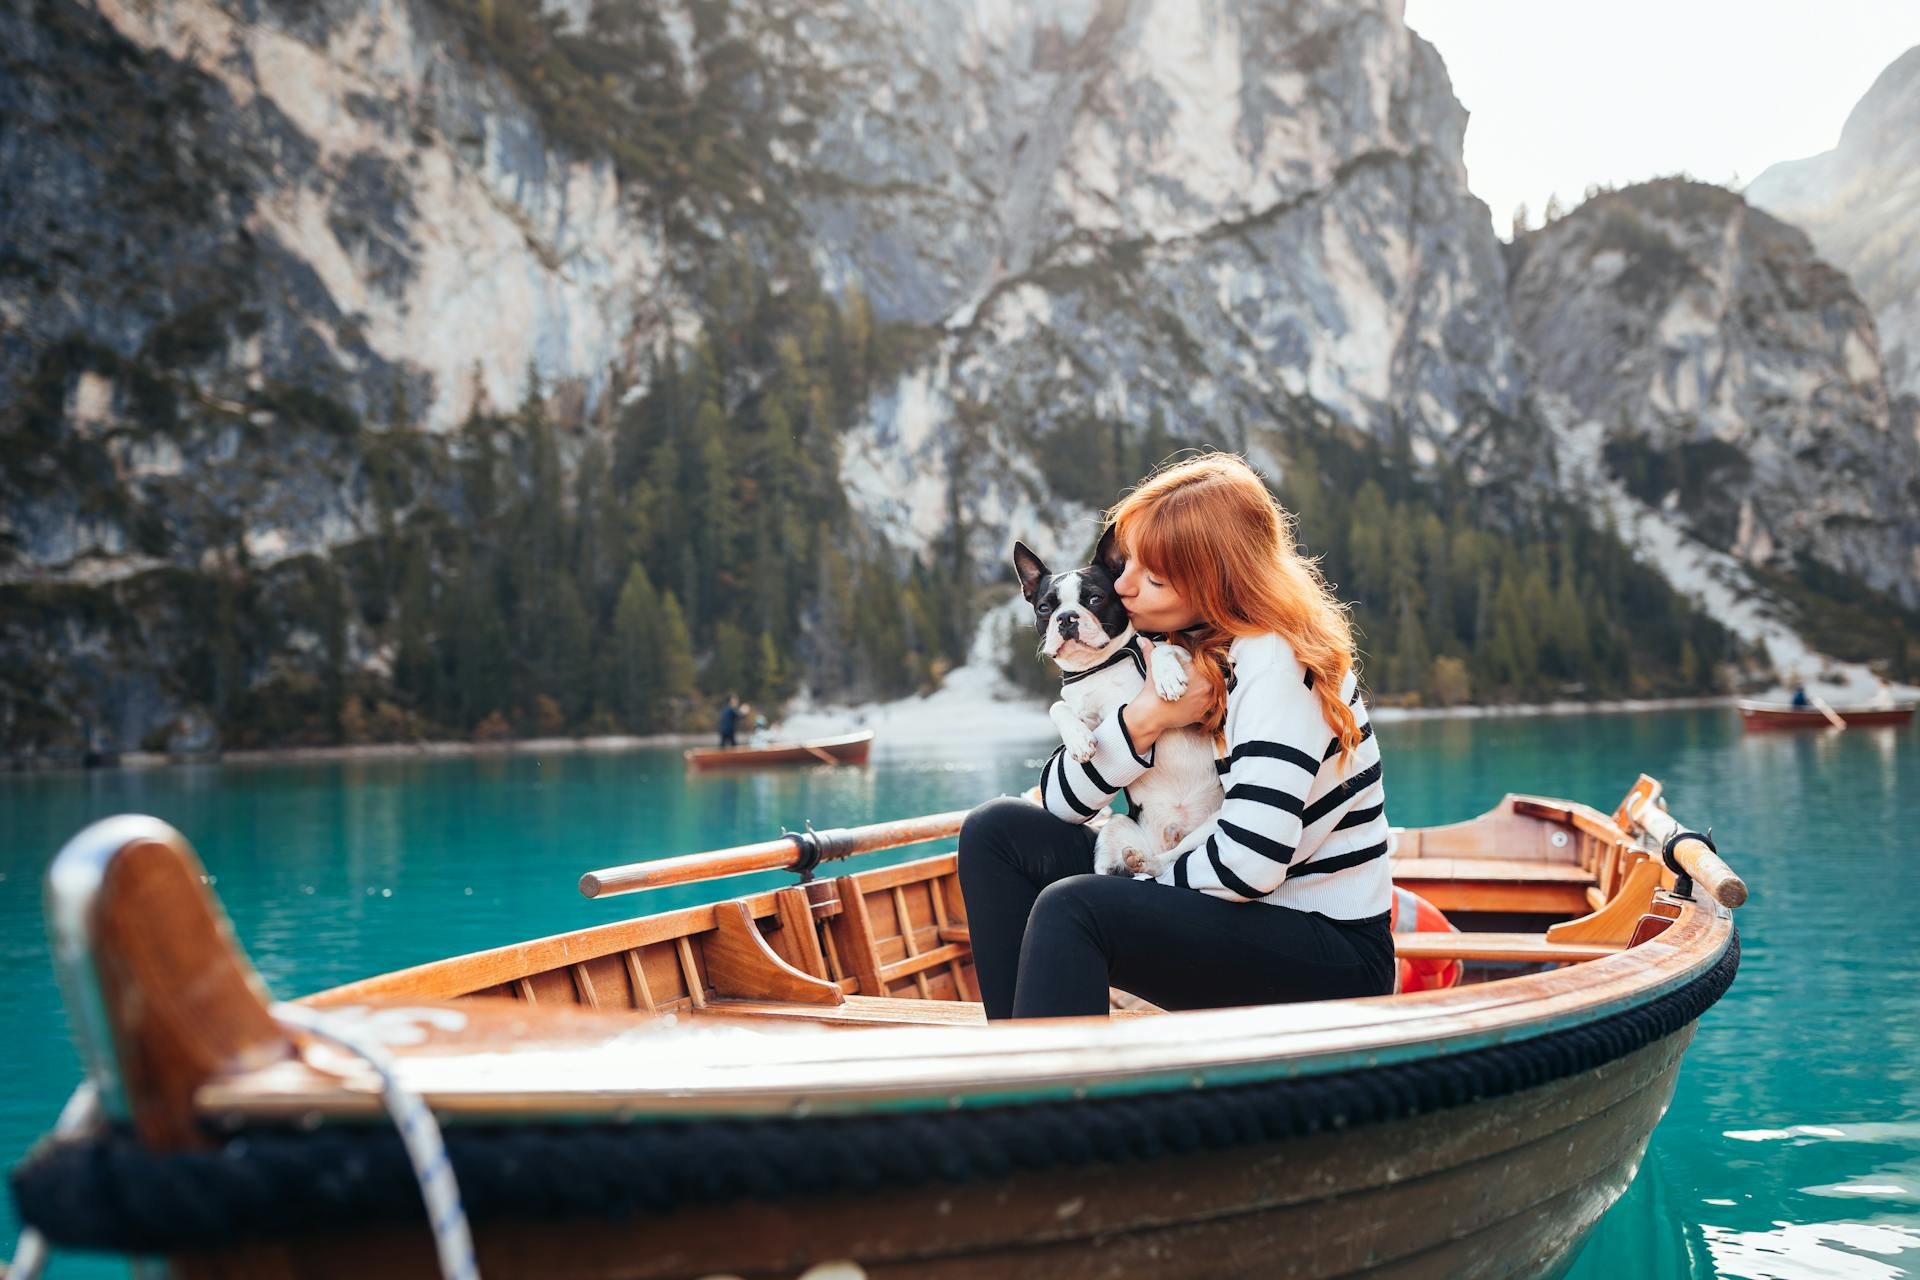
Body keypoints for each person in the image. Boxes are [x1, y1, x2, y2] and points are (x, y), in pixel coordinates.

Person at [958, 454, 1395, 1020]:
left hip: (1327, 951)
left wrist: (1135, 875)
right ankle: (1020, 1065)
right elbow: (1065, 804)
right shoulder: (1179, 650)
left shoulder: (1277, 661)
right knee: (996, 832)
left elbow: (1249, 866)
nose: (1122, 585)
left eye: (1152, 575)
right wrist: (1145, 720)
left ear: (1213, 580)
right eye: (1128, 563)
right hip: (1238, 910)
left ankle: (1056, 1098)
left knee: (1077, 908)